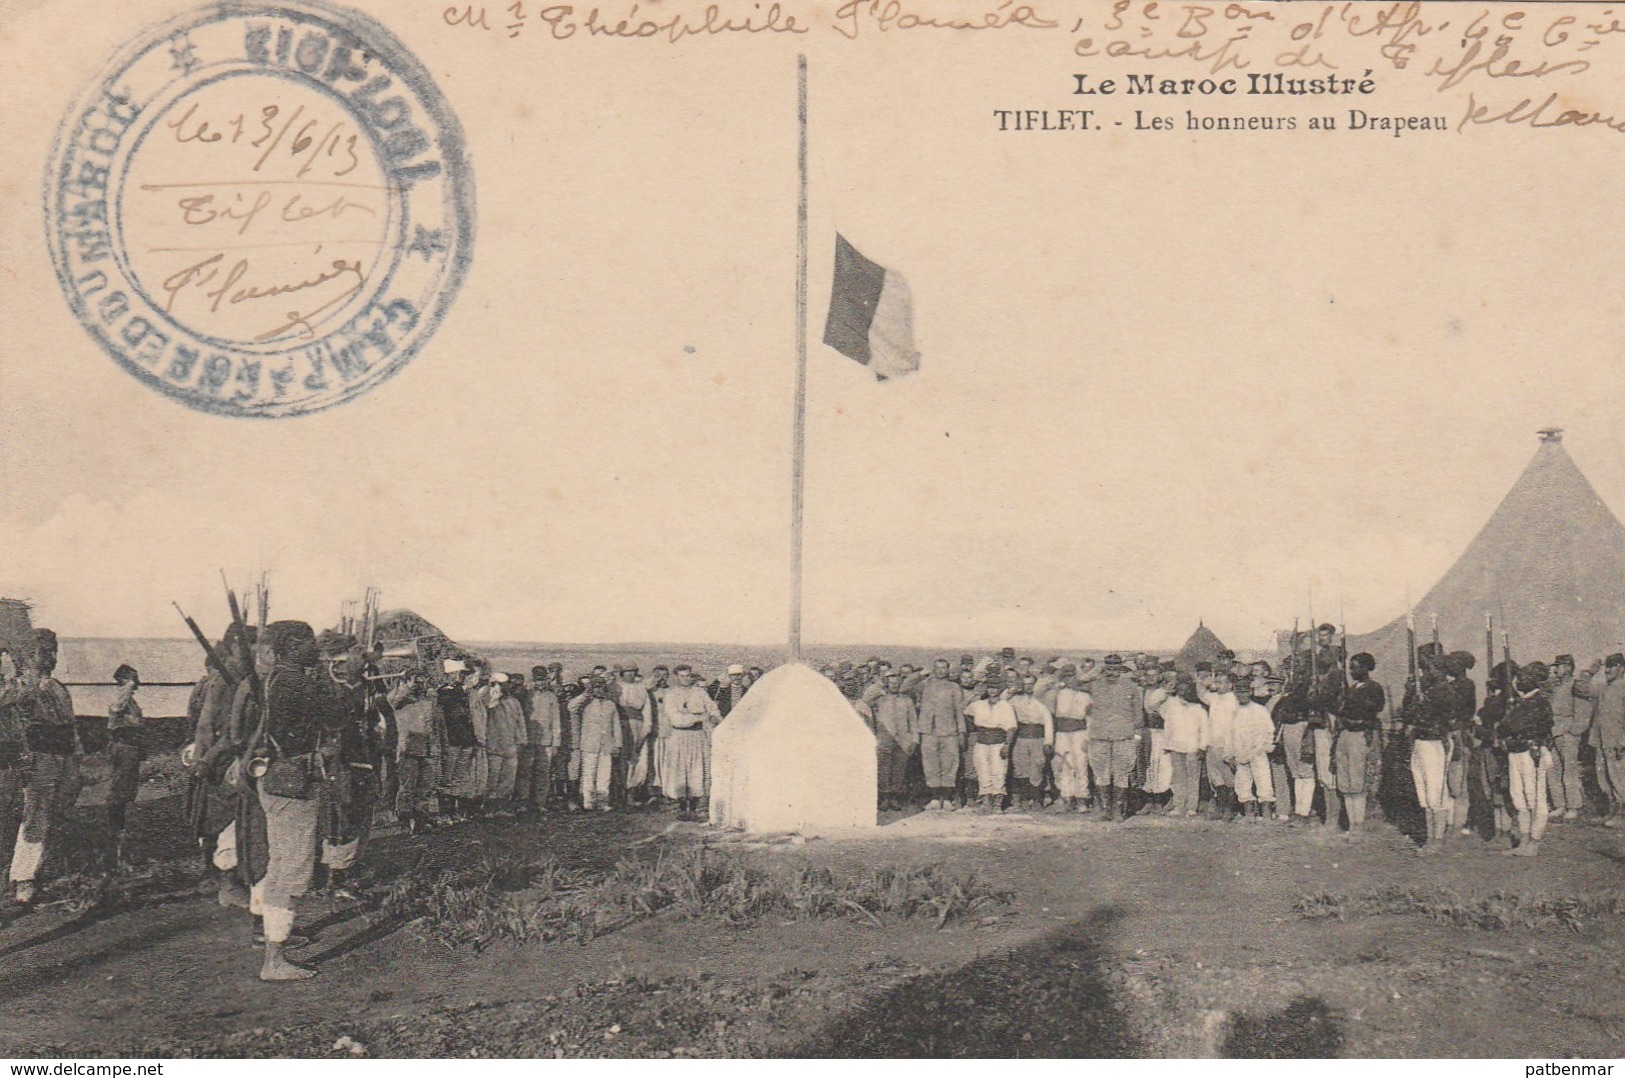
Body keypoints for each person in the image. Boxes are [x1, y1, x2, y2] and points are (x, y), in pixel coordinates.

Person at [253, 620, 339, 981]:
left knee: (280, 861)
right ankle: (274, 961)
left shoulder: (277, 677)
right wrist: (326, 678)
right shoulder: (296, 680)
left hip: (279, 776)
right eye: (307, 641)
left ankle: (270, 934)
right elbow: (338, 714)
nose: (315, 645)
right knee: (293, 867)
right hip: (294, 779)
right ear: (292, 645)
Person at [5, 629, 78, 907]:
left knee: (56, 815)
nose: (51, 657)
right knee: (34, 817)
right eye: (44, 651)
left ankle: (43, 873)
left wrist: (75, 761)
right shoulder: (21, 685)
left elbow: (70, 728)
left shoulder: (59, 688)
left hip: (62, 757)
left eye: (54, 651)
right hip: (36, 757)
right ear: (29, 654)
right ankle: (23, 880)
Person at [1499, 660, 1554, 857]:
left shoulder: (1539, 702)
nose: (1517, 681)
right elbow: (1504, 728)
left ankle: (1534, 841)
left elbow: (1516, 727)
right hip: (1516, 753)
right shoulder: (1521, 702)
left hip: (1532, 753)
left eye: (1521, 678)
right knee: (1519, 798)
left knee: (1535, 798)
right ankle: (1523, 841)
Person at [1401, 651, 1454, 853]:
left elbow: (1431, 716)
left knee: (1436, 791)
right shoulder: (1426, 690)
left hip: (1435, 743)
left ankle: (1438, 839)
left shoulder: (1444, 690)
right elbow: (1409, 715)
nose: (1424, 673)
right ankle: (1430, 838)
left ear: (1439, 670)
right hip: (1421, 743)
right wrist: (1410, 694)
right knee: (1424, 791)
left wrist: (1420, 700)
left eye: (1428, 669)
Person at [1088, 655, 1144, 822]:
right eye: (1108, 669)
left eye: (1115, 669)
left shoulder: (1131, 687)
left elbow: (1139, 715)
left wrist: (1136, 736)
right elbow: (1075, 682)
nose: (1111, 673)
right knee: (1101, 773)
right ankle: (1105, 810)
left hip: (1124, 736)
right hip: (1099, 736)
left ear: (1121, 669)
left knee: (1122, 773)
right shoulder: (1095, 685)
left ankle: (1119, 811)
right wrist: (1095, 670)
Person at [661, 664, 719, 819]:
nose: (685, 679)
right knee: (680, 771)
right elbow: (676, 718)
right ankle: (681, 807)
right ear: (677, 677)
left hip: (697, 736)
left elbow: (712, 709)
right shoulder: (671, 694)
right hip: (679, 736)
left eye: (688, 676)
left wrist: (714, 717)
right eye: (682, 676)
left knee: (697, 770)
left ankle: (693, 808)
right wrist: (698, 717)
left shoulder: (699, 692)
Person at [1336, 653, 1386, 835]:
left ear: (1366, 668)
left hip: (1360, 734)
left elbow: (1373, 708)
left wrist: (1349, 702)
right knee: (1346, 781)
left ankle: (1358, 825)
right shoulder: (1349, 689)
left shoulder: (1374, 688)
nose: (1351, 671)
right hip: (1345, 734)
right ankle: (1351, 824)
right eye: (1350, 667)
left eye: (1355, 667)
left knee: (1357, 781)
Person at [104, 663, 144, 868]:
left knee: (128, 792)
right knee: (120, 792)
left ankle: (122, 839)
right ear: (123, 679)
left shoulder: (131, 700)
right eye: (132, 677)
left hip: (131, 746)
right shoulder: (119, 696)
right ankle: (114, 837)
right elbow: (118, 708)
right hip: (122, 746)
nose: (136, 681)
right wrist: (127, 685)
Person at [915, 659, 965, 811]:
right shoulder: (925, 684)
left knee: (949, 764)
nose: (941, 671)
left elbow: (959, 711)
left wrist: (961, 732)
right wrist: (919, 674)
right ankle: (935, 798)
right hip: (928, 731)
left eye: (944, 668)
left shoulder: (954, 687)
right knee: (931, 765)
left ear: (948, 670)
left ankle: (948, 799)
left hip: (949, 731)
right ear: (933, 669)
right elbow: (905, 687)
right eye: (938, 668)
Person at [392, 674, 439, 834]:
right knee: (407, 786)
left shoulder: (428, 700)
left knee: (424, 787)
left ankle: (420, 820)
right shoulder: (401, 696)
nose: (420, 684)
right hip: (408, 748)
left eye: (421, 681)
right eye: (416, 681)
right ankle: (404, 821)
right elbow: (391, 701)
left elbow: (432, 725)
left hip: (426, 749)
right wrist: (407, 686)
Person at [432, 660, 479, 820]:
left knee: (459, 776)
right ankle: (445, 812)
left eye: (462, 674)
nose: (462, 677)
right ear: (451, 674)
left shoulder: (461, 692)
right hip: (452, 740)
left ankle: (454, 812)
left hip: (465, 739)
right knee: (448, 777)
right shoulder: (444, 693)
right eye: (460, 673)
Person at [964, 676, 1016, 811]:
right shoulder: (978, 705)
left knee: (998, 772)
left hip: (998, 742)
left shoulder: (1006, 706)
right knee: (982, 771)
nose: (992, 690)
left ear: (1000, 689)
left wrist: (1007, 745)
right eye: (990, 687)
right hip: (981, 742)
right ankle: (986, 800)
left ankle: (997, 803)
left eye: (995, 687)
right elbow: (966, 714)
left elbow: (1011, 727)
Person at [1229, 676, 1276, 820]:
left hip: (1257, 751)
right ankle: (1249, 815)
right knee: (1242, 784)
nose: (1242, 695)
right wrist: (1230, 753)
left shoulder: (1259, 710)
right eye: (1239, 692)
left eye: (1244, 691)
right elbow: (1229, 734)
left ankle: (1266, 816)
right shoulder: (1233, 711)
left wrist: (1262, 746)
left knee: (1263, 782)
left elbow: (1269, 731)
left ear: (1250, 692)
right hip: (1240, 751)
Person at [1546, 655, 1587, 820]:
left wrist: (1573, 732)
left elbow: (1582, 712)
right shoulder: (1556, 687)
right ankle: (1560, 805)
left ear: (1569, 667)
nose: (1556, 669)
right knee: (1553, 770)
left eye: (1560, 666)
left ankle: (1573, 807)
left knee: (1569, 771)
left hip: (1567, 734)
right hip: (1554, 733)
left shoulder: (1574, 685)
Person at [1587, 653, 1625, 827]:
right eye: (1606, 667)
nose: (1608, 670)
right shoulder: (1603, 687)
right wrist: (1590, 673)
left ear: (1621, 668)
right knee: (1604, 777)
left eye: (1612, 666)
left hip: (1616, 742)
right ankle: (1612, 811)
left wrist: (1623, 741)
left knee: (1618, 778)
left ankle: (1621, 815)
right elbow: (1581, 689)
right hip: (1601, 740)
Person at [1006, 674, 1054, 811]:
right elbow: (1002, 703)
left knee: (1037, 768)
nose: (1028, 686)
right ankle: (1023, 800)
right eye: (1025, 684)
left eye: (1031, 683)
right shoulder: (1015, 700)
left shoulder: (1042, 700)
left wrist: (1048, 742)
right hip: (1020, 738)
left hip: (1038, 738)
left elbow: (1048, 722)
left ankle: (1037, 799)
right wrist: (1012, 690)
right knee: (1021, 769)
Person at [872, 673, 919, 811]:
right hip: (884, 739)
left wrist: (914, 740)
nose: (894, 685)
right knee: (883, 769)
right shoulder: (879, 700)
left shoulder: (907, 701)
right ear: (887, 683)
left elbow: (913, 722)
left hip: (903, 741)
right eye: (892, 682)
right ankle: (884, 798)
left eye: (897, 683)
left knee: (899, 770)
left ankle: (894, 798)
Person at [1197, 669, 1239, 821]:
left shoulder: (1234, 701)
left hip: (1226, 744)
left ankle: (1230, 809)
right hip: (1212, 743)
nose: (1217, 686)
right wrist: (1204, 682)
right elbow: (1201, 694)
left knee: (1229, 778)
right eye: (1217, 683)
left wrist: (1231, 748)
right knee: (1215, 777)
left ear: (1230, 685)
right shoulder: (1215, 698)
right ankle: (1221, 807)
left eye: (1221, 683)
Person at [1161, 676, 1206, 817]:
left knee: (1193, 777)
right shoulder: (1172, 704)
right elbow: (1168, 725)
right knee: (1178, 778)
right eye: (1179, 690)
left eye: (1185, 690)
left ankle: (1191, 806)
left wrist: (1202, 747)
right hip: (1175, 746)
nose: (1182, 693)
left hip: (1192, 747)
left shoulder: (1198, 708)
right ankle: (1178, 806)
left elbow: (1205, 729)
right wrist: (1167, 743)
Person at [518, 666, 560, 814]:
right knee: (525, 771)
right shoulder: (526, 696)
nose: (540, 683)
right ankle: (523, 802)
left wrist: (556, 743)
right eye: (537, 680)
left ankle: (540, 802)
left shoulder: (551, 698)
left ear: (546, 681)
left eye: (542, 680)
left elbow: (556, 721)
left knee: (543, 772)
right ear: (533, 680)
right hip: (528, 740)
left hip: (546, 741)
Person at [575, 678, 622, 811]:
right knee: (589, 773)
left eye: (601, 687)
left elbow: (616, 726)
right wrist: (585, 694)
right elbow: (571, 707)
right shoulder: (586, 704)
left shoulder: (611, 705)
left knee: (604, 774)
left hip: (606, 745)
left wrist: (617, 745)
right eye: (596, 688)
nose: (599, 690)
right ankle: (589, 802)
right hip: (590, 745)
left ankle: (602, 802)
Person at [1051, 665, 1092, 813]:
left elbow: (1090, 718)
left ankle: (1082, 799)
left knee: (1080, 764)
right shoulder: (1058, 694)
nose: (1069, 679)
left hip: (1079, 732)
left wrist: (1087, 738)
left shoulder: (1086, 696)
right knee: (1062, 764)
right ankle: (1066, 797)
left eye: (1072, 676)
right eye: (1066, 676)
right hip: (1061, 732)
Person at [484, 674, 526, 816]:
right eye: (500, 684)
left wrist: (521, 741)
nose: (504, 687)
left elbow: (520, 723)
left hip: (510, 746)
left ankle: (501, 807)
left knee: (508, 779)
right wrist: (494, 696)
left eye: (505, 684)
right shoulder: (489, 701)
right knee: (492, 779)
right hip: (494, 746)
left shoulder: (513, 702)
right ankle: (488, 808)